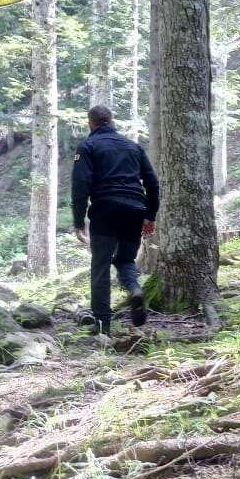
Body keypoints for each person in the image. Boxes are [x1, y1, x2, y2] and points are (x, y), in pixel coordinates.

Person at [71, 104, 160, 338]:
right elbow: (152, 183)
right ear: (111, 121)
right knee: (126, 259)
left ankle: (102, 325)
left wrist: (79, 221)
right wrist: (150, 215)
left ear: (91, 123)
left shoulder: (88, 146)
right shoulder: (134, 147)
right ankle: (134, 289)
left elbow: (80, 185)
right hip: (134, 210)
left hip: (105, 209)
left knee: (100, 265)